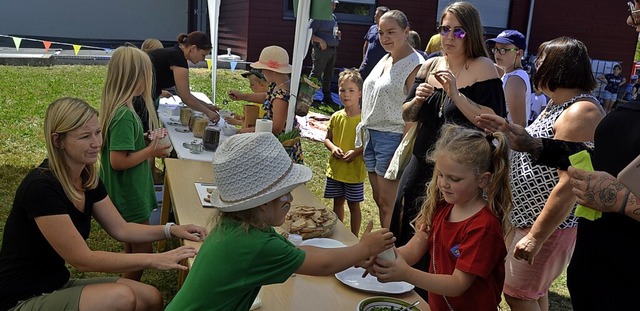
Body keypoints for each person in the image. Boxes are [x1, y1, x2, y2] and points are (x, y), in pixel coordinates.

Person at [0, 97, 207, 311]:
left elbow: (122, 228)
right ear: (57, 140)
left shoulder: (87, 177)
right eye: (85, 136)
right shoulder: (41, 188)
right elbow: (83, 260)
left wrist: (172, 230)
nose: (96, 143)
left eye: (97, 133)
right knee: (121, 297)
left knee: (151, 298)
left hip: (55, 284)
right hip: (22, 298)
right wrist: (153, 260)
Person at [165, 132, 395, 311]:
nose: (291, 199)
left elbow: (304, 253)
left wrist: (355, 255)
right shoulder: (257, 245)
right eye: (285, 194)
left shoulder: (242, 226)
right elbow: (321, 265)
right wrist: (364, 248)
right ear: (263, 204)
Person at [496, 37, 604, 311]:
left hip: (548, 226)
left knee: (517, 294)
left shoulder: (580, 111)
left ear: (560, 66)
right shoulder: (557, 104)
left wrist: (536, 236)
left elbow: (570, 183)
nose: (535, 64)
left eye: (542, 59)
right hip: (527, 218)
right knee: (532, 292)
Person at [391, 1, 506, 249]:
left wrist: (455, 94)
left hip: (458, 172)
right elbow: (407, 114)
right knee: (405, 222)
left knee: (437, 237)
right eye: (445, 29)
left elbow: (491, 122)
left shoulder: (483, 67)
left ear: (471, 34)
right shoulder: (430, 64)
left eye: (459, 31)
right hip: (422, 160)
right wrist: (418, 100)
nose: (450, 37)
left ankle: (427, 286)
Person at [368, 124, 512, 311]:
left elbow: (458, 284)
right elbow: (412, 250)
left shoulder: (483, 227)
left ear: (483, 180)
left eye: (454, 179)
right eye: (441, 175)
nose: (443, 184)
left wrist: (406, 274)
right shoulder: (441, 207)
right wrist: (380, 258)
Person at [99, 46, 173, 281]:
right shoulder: (124, 115)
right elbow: (118, 161)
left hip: (125, 191)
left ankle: (122, 290)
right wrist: (151, 150)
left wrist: (143, 141)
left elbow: (124, 147)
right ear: (135, 77)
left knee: (132, 250)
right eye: (146, 74)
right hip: (129, 194)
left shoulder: (121, 109)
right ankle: (123, 296)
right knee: (142, 254)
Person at [356, 9, 424, 229]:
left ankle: (387, 252)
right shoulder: (386, 57)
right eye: (381, 33)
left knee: (390, 204)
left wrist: (402, 149)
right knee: (379, 200)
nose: (385, 38)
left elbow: (414, 113)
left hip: (392, 137)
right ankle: (385, 245)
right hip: (372, 135)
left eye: (391, 32)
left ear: (406, 31)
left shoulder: (415, 64)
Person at [228, 45, 304, 163]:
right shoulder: (278, 85)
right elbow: (266, 96)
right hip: (272, 141)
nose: (262, 72)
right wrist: (243, 96)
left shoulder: (282, 96)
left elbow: (276, 127)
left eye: (263, 69)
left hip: (280, 146)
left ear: (272, 70)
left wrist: (247, 131)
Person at [135, 31, 219, 134]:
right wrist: (208, 112)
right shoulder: (177, 59)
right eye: (203, 55)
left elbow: (182, 93)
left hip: (142, 97)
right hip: (139, 100)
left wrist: (207, 106)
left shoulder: (175, 54)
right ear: (193, 48)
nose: (203, 59)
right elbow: (186, 97)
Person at [323, 68, 366, 236]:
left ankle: (354, 236)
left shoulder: (364, 120)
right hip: (336, 170)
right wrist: (333, 148)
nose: (346, 95)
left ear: (360, 93)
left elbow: (368, 144)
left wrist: (356, 152)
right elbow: (327, 138)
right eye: (342, 90)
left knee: (354, 205)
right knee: (337, 203)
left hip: (354, 172)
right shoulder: (336, 116)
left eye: (351, 91)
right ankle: (338, 233)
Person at [486, 30, 532, 127]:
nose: (497, 54)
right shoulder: (509, 74)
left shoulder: (514, 80)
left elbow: (519, 125)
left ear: (519, 53)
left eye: (504, 50)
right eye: (496, 49)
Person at [309, 0, 341, 109]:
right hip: (321, 50)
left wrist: (337, 35)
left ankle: (327, 98)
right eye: (333, 3)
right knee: (316, 74)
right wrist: (320, 41)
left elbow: (332, 30)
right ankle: (308, 97)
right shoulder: (318, 17)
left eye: (335, 4)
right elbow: (308, 33)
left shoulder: (333, 17)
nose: (335, 5)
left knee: (329, 75)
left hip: (332, 50)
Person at [358, 6, 389, 80]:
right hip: (366, 64)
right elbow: (366, 44)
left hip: (380, 66)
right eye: (375, 15)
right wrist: (364, 58)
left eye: (377, 15)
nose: (375, 17)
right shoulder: (372, 28)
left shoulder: (387, 32)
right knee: (358, 82)